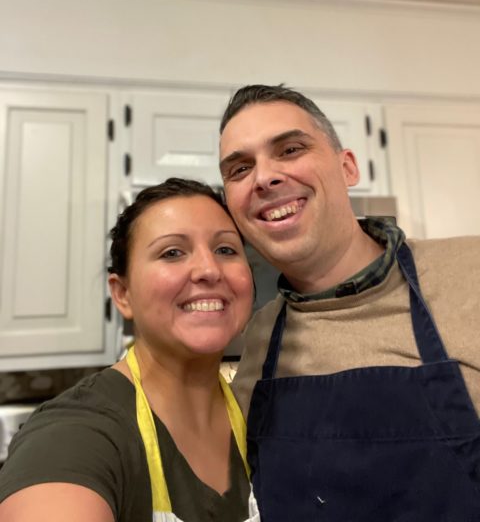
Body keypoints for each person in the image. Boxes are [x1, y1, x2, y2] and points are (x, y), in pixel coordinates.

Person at [219, 84, 480, 521]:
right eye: (240, 168)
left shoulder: (469, 272)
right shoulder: (259, 338)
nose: (264, 177)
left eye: (289, 149)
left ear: (348, 167)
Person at [0, 178, 260, 522]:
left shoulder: (259, 417)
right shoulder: (77, 432)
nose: (209, 270)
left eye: (225, 250)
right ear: (122, 293)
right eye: (172, 252)